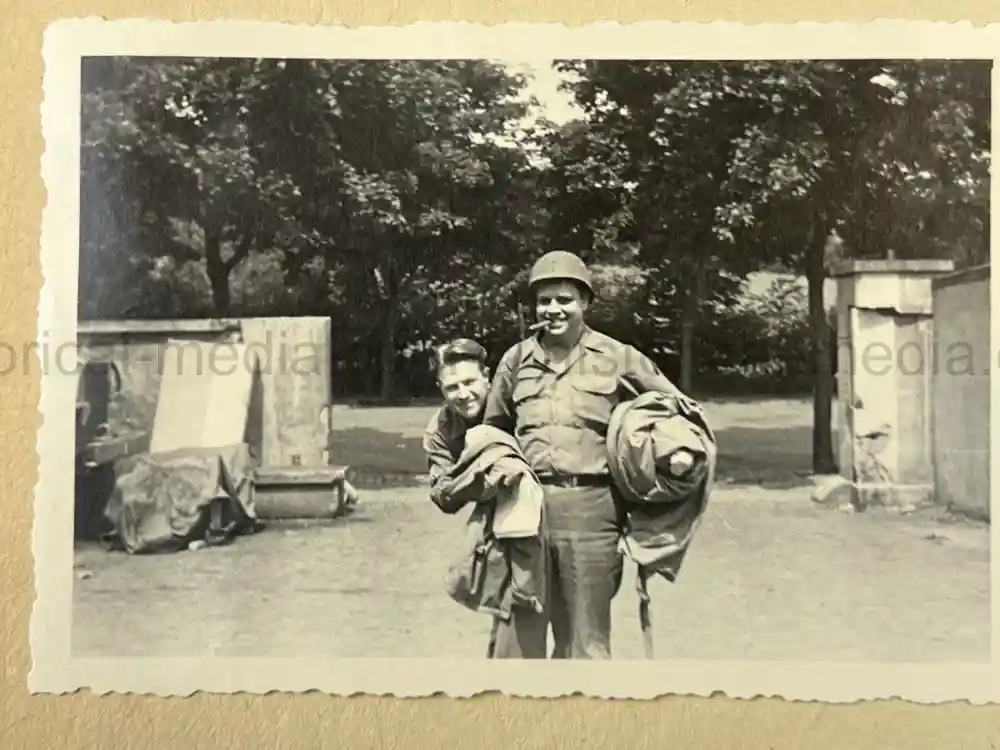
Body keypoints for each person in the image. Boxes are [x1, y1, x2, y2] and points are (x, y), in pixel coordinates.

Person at [481, 250, 688, 659]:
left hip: (593, 513)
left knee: (585, 642)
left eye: (564, 299)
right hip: (526, 512)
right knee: (516, 643)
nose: (553, 309)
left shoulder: (618, 357)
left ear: (586, 303)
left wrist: (672, 451)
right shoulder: (516, 361)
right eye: (545, 300)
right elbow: (493, 429)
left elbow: (675, 408)